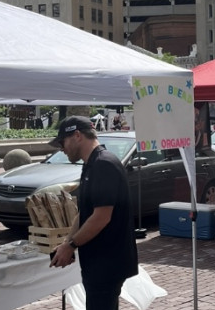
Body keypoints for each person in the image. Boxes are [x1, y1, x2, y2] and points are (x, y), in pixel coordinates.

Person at [49, 116, 138, 310]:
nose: (61, 149)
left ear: (77, 136)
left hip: (107, 263)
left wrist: (71, 245)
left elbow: (101, 217)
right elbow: (85, 213)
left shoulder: (103, 164)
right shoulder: (91, 164)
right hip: (98, 262)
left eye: (62, 142)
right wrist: (67, 243)